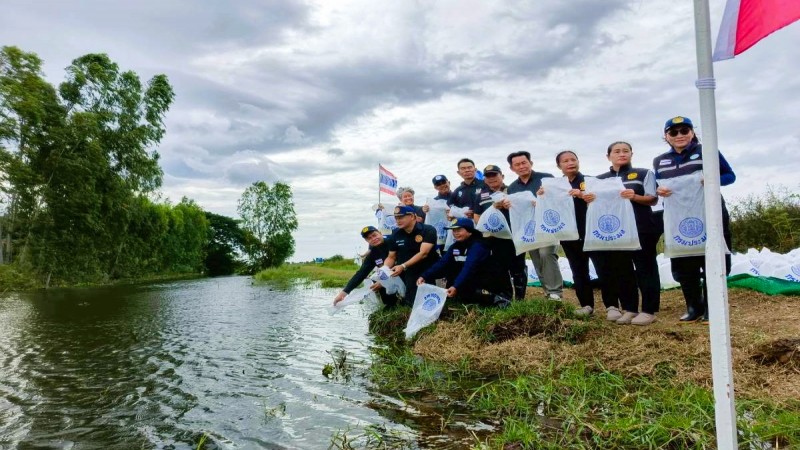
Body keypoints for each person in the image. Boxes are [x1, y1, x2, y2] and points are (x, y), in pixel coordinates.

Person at [653, 116, 736, 323]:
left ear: (692, 132)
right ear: (666, 136)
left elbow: (730, 176)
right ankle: (694, 307)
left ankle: (712, 308)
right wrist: (659, 190)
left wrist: (712, 179)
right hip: (678, 217)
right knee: (683, 263)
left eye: (684, 130)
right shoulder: (659, 161)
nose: (679, 135)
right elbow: (658, 185)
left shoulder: (707, 151)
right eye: (674, 132)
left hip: (711, 213)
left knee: (713, 259)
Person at [593, 142, 660, 326]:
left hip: (642, 228)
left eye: (626, 151)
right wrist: (589, 198)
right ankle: (630, 308)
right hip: (616, 232)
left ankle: (649, 310)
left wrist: (635, 196)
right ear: (608, 156)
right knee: (622, 271)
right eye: (617, 151)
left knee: (646, 269)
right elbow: (597, 203)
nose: (621, 154)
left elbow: (653, 199)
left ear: (632, 154)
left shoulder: (643, 173)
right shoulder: (600, 180)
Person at [539, 151, 600, 315]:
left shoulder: (590, 181)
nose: (570, 163)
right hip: (569, 234)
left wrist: (582, 195)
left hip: (593, 232)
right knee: (579, 271)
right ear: (559, 166)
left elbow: (603, 200)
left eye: (573, 159)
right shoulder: (556, 185)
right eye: (565, 161)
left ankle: (612, 306)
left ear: (578, 161)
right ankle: (587, 306)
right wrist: (542, 197)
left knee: (603, 269)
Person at [506, 150, 564, 300]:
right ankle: (547, 292)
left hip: (547, 225)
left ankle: (555, 292)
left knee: (546, 254)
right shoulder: (512, 188)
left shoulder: (546, 178)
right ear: (512, 168)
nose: (521, 166)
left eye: (524, 162)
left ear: (530, 163)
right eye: (517, 164)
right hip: (529, 229)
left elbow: (560, 197)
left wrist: (545, 197)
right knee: (536, 258)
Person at [417, 218, 512, 307]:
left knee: (467, 288)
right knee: (453, 274)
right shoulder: (456, 246)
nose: (456, 233)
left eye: (459, 230)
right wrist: (424, 276)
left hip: (490, 281)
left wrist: (456, 286)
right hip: (473, 279)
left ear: (469, 231)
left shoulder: (478, 246)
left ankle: (499, 300)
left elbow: (469, 267)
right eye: (454, 231)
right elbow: (442, 262)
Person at [474, 165, 527, 300]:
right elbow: (477, 216)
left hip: (514, 235)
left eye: (494, 175)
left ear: (502, 176)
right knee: (500, 267)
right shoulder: (481, 195)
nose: (491, 179)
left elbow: (524, 209)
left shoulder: (514, 189)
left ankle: (520, 299)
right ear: (484, 179)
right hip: (494, 238)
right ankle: (506, 298)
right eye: (488, 176)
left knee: (518, 266)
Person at [383, 205, 440, 305]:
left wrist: (403, 266)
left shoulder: (428, 230)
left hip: (426, 268)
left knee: (422, 300)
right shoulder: (395, 234)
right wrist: (384, 269)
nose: (398, 220)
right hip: (407, 270)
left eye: (401, 217)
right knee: (409, 301)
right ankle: (392, 306)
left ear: (413, 216)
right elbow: (391, 257)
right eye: (396, 218)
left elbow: (423, 253)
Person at [334, 226, 399, 308]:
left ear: (380, 233)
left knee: (382, 278)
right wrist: (343, 293)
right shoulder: (373, 253)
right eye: (369, 238)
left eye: (374, 235)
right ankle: (391, 305)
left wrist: (384, 281)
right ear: (367, 241)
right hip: (389, 276)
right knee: (377, 278)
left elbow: (403, 264)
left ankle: (405, 301)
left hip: (403, 273)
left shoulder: (393, 243)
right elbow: (361, 274)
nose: (373, 239)